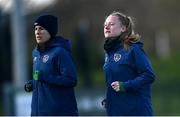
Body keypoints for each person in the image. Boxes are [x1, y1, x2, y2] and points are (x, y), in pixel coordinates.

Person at [102, 11, 155, 116]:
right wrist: (110, 99)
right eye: (105, 25)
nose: (107, 27)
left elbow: (149, 75)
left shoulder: (133, 49)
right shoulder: (108, 54)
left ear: (123, 28)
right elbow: (115, 82)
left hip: (136, 112)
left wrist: (126, 86)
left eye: (111, 24)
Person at [24, 14, 78, 116]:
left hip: (59, 113)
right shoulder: (35, 53)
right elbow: (42, 79)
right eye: (36, 29)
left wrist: (45, 77)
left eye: (41, 29)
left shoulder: (60, 52)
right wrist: (33, 84)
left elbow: (71, 80)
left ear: (50, 31)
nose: (37, 32)